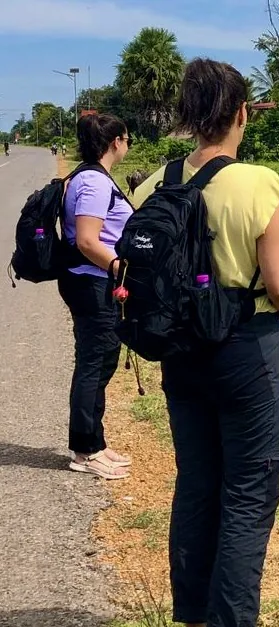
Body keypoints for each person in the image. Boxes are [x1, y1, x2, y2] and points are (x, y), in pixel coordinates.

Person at [130, 58, 279, 627]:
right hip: (243, 351)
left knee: (199, 483)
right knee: (249, 492)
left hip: (180, 355)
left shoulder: (157, 182)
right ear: (240, 114)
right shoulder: (258, 183)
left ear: (187, 115)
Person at [61, 114, 133, 480]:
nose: (128, 143)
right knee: (94, 363)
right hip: (92, 283)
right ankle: (84, 451)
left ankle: (96, 443)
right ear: (116, 141)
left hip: (90, 281)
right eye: (127, 138)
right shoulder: (94, 183)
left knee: (101, 362)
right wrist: (119, 267)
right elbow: (88, 240)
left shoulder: (88, 176)